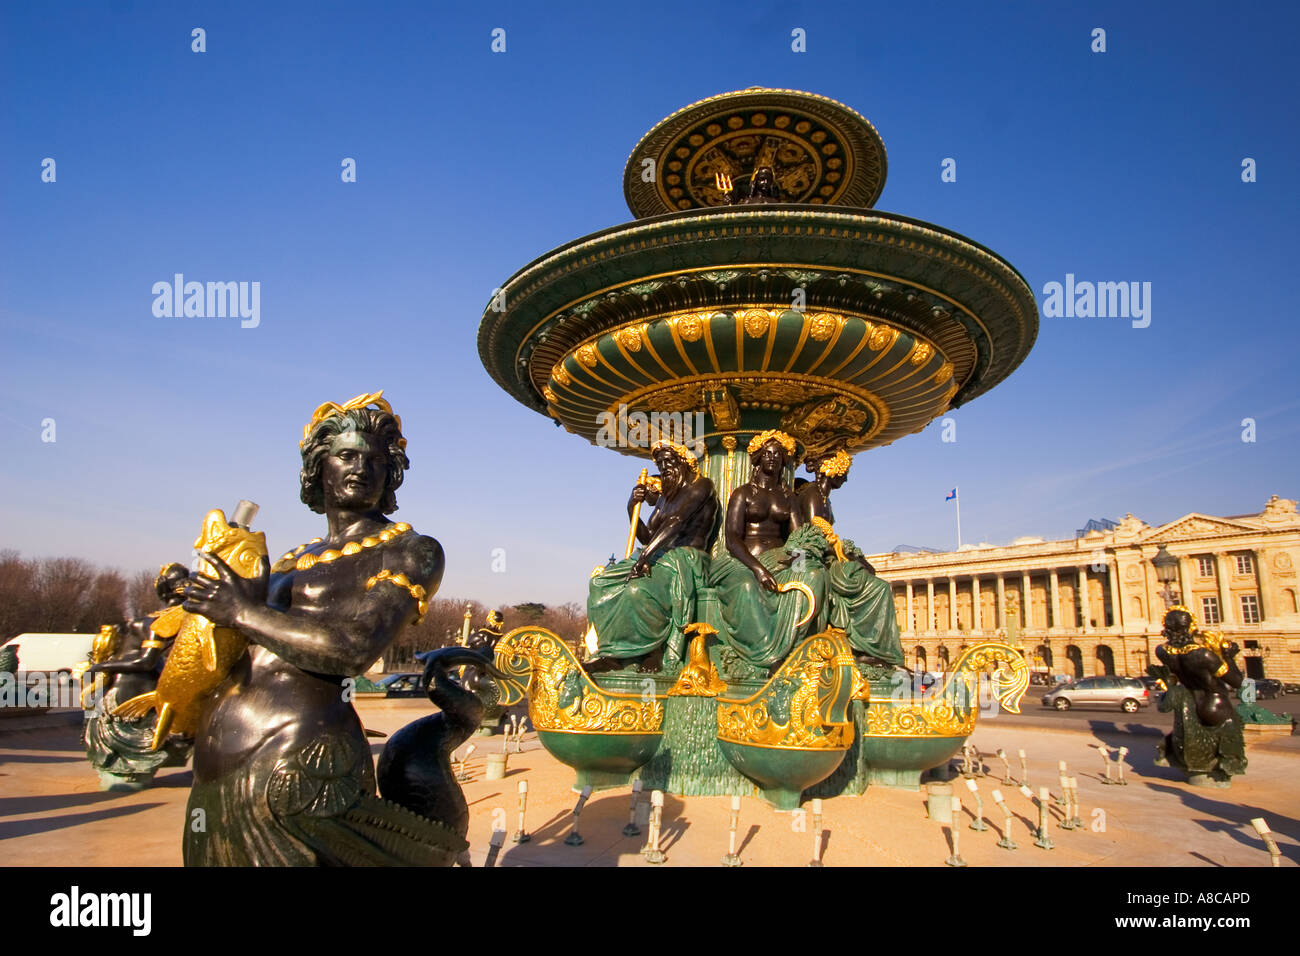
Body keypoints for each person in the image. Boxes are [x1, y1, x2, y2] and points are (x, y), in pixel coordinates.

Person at [179, 392, 464, 865]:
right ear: (318, 467)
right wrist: (192, 596)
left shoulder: (410, 550)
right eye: (346, 455)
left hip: (298, 765)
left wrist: (240, 611)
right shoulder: (292, 557)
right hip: (221, 767)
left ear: (391, 472)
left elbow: (353, 649)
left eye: (376, 460)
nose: (361, 468)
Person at [586, 440, 719, 673]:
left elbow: (676, 522)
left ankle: (653, 651)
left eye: (669, 461)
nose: (664, 466)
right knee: (600, 584)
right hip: (659, 553)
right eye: (660, 462)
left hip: (687, 558)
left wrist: (645, 557)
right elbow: (647, 536)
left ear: (685, 463)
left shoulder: (701, 487)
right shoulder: (665, 498)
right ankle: (611, 653)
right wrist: (631, 508)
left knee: (638, 590)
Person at [709, 430, 828, 674]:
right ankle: (765, 655)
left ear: (784, 460)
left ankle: (794, 648)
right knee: (746, 586)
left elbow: (798, 538)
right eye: (768, 453)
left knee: (814, 576)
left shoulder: (788, 498)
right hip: (743, 561)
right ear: (759, 458)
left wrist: (800, 568)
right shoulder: (743, 493)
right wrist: (758, 569)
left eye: (778, 454)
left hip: (781, 558)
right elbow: (732, 538)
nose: (773, 458)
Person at [792, 451, 901, 667]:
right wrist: (846, 554)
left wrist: (850, 554)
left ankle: (868, 649)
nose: (846, 479)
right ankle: (865, 649)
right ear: (833, 470)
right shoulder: (813, 494)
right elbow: (813, 537)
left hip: (825, 556)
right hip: (811, 558)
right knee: (877, 588)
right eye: (844, 473)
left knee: (874, 581)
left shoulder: (824, 498)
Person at [1154, 606, 1246, 786]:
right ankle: (1222, 773)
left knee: (1198, 737)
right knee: (1230, 736)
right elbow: (1237, 681)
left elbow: (1171, 677)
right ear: (1191, 627)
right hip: (1215, 701)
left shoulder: (1162, 651)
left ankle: (1188, 763)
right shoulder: (1202, 654)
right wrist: (1228, 656)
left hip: (1191, 701)